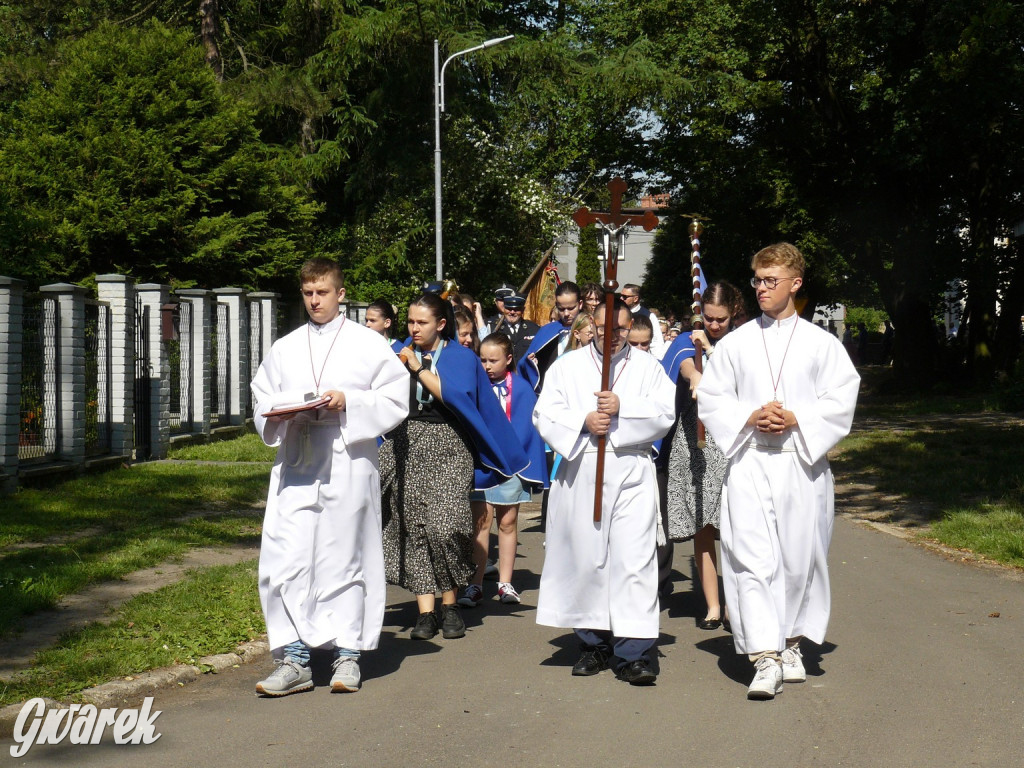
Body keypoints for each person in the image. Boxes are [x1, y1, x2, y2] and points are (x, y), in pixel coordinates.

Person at [696, 243, 859, 700]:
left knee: (798, 559)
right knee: (750, 560)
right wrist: (750, 415)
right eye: (757, 280)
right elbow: (712, 396)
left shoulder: (822, 344)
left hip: (800, 465)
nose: (762, 288)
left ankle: (790, 643)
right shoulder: (735, 343)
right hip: (749, 462)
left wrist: (797, 418)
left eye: (771, 281)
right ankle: (763, 656)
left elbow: (841, 397)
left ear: (795, 283)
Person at [250, 258, 409, 696]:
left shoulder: (368, 343)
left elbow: (396, 398)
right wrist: (286, 409)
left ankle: (347, 656)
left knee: (345, 559)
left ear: (341, 294)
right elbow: (262, 396)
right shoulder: (285, 346)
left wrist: (349, 401)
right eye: (307, 293)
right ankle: (295, 659)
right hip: (297, 462)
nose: (314, 301)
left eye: (322, 292)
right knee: (287, 560)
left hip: (347, 461)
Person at [533, 299, 676, 685]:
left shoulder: (648, 368)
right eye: (604, 329)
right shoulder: (568, 366)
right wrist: (583, 421)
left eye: (621, 330)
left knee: (633, 561)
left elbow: (665, 413)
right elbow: (544, 412)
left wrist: (622, 408)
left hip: (630, 469)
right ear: (590, 326)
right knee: (587, 557)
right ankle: (593, 643)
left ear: (631, 328)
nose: (612, 337)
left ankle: (634, 651)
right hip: (582, 471)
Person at [382, 293, 529, 642]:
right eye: (410, 322)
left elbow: (455, 396)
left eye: (422, 323)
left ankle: (450, 602)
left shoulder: (460, 357)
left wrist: (416, 368)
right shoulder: (398, 354)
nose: (414, 329)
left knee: (445, 527)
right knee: (413, 527)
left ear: (441, 324)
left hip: (450, 443)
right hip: (408, 442)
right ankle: (426, 611)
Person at [659, 281, 742, 631]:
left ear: (733, 314)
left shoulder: (743, 343)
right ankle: (712, 605)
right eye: (708, 318)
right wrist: (695, 374)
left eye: (721, 319)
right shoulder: (689, 338)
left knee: (739, 528)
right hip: (696, 443)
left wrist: (714, 352)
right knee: (703, 526)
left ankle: (736, 605)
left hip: (735, 443)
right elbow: (682, 365)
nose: (714, 325)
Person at [459, 332, 548, 608]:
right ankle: (474, 584)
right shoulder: (473, 387)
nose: (486, 365)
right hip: (483, 464)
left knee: (507, 524)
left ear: (508, 359)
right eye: (482, 359)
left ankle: (505, 583)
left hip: (510, 467)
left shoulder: (520, 389)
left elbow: (528, 429)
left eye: (493, 360)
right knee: (481, 524)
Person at [519, 281, 583, 391]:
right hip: (553, 390)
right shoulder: (547, 331)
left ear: (580, 304)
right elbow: (524, 365)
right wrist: (532, 363)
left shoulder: (591, 328)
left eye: (571, 308)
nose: (566, 314)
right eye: (561, 309)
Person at [620, 284, 667, 359]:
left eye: (625, 297)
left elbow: (656, 342)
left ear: (635, 299)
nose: (621, 298)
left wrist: (657, 360)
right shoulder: (617, 314)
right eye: (621, 295)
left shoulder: (649, 316)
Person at [495, 292, 538, 366]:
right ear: (504, 309)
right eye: (509, 308)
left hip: (525, 375)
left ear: (523, 310)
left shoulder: (534, 329)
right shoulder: (496, 330)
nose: (512, 312)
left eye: (516, 309)